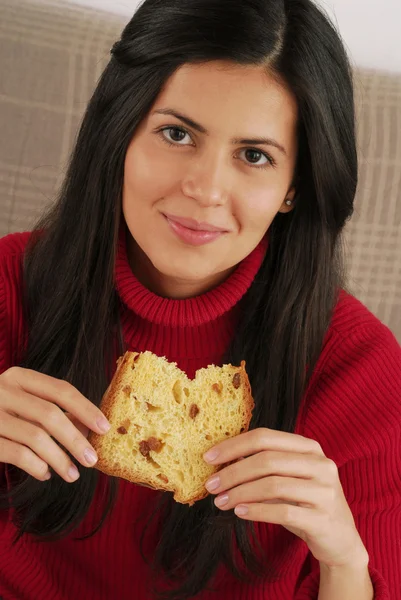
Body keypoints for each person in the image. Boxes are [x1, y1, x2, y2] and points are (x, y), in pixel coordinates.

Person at [0, 0, 400, 598]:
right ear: (121, 135)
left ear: (293, 188)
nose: (206, 189)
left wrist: (343, 558)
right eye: (177, 133)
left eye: (254, 155)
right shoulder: (9, 283)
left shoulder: (359, 366)